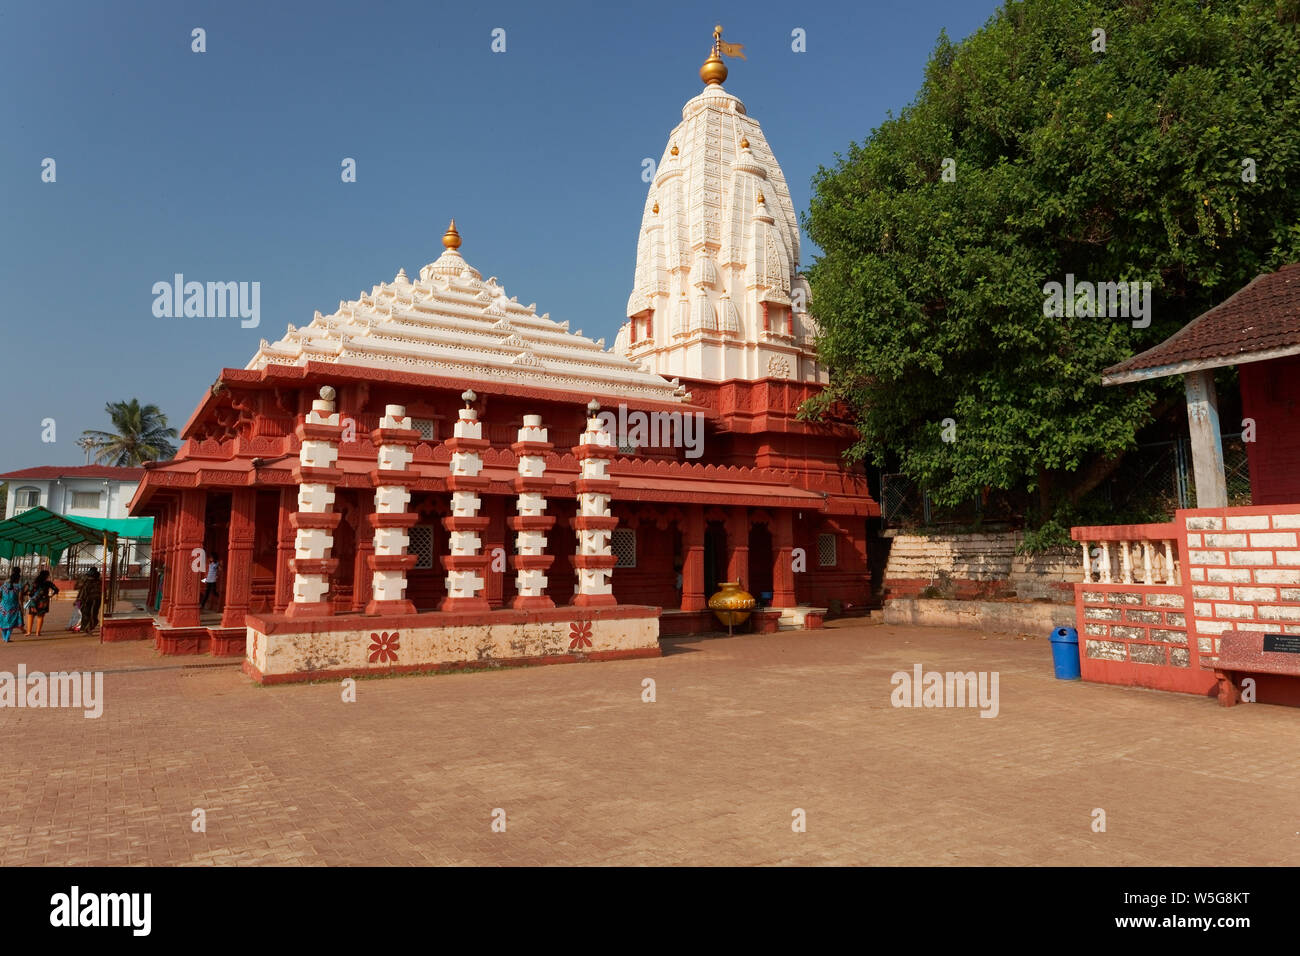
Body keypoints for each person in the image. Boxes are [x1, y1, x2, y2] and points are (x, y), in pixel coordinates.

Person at [25, 568, 59, 637]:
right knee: (40, 616)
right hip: (43, 602)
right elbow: (56, 590)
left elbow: (29, 592)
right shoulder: (48, 583)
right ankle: (38, 632)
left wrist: (30, 596)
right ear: (46, 576)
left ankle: (28, 632)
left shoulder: (34, 582)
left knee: (30, 615)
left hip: (33, 601)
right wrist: (51, 596)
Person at [1, 568, 25, 642]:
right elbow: (20, 599)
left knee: (3, 622)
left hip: (3, 607)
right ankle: (7, 638)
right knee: (11, 622)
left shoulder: (3, 586)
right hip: (13, 607)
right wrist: (22, 608)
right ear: (18, 579)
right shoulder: (19, 586)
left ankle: (5, 638)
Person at [77, 567, 102, 636]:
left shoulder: (88, 582)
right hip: (94, 600)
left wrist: (79, 599)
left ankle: (89, 627)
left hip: (89, 600)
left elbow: (82, 591)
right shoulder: (98, 582)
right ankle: (89, 627)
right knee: (90, 614)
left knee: (88, 614)